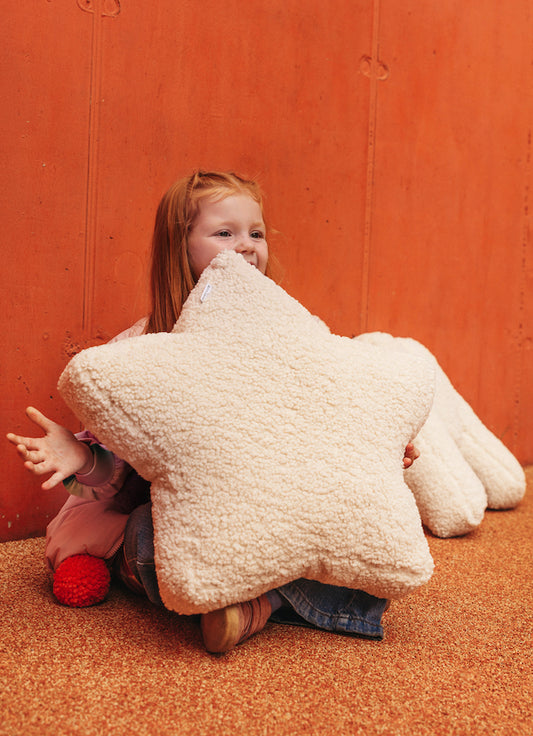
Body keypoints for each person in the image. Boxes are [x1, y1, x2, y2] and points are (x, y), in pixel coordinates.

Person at [6, 170, 419, 653]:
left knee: (357, 544)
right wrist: (82, 458)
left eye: (256, 233)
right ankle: (260, 599)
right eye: (225, 233)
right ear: (180, 248)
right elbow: (115, 476)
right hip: (173, 515)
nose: (246, 246)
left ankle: (261, 601)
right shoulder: (144, 348)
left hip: (267, 509)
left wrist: (375, 448)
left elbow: (320, 425)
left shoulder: (293, 339)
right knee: (149, 539)